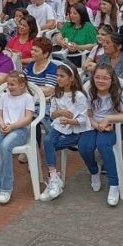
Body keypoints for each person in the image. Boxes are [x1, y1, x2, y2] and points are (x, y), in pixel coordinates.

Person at [80, 64, 123, 206]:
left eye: (105, 78)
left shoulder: (117, 94)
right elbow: (88, 114)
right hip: (94, 126)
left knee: (103, 145)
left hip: (113, 128)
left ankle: (114, 184)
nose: (101, 81)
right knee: (84, 146)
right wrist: (96, 124)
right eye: (97, 77)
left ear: (112, 80)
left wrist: (109, 119)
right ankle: (94, 171)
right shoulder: (90, 93)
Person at [0, 71, 36, 205]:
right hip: (5, 127)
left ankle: (6, 188)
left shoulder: (27, 98)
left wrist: (12, 126)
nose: (10, 87)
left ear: (22, 85)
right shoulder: (4, 97)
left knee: (5, 146)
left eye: (13, 85)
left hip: (20, 130)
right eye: (8, 84)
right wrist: (2, 125)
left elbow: (28, 118)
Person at [39, 62, 88, 201]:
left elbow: (83, 119)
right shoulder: (57, 94)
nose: (58, 78)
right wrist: (60, 112)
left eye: (62, 76)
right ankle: (54, 176)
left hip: (75, 128)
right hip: (59, 126)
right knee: (48, 140)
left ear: (71, 78)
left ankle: (53, 180)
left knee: (50, 145)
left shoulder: (79, 96)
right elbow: (52, 114)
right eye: (57, 76)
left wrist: (70, 121)